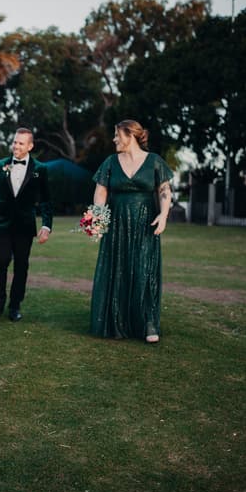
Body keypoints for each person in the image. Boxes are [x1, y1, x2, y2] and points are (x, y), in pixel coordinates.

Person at [90, 119, 173, 343]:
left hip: (146, 223)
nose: (115, 139)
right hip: (117, 223)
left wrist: (163, 215)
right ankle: (117, 322)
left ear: (130, 135)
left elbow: (164, 190)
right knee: (118, 268)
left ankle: (148, 324)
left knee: (144, 268)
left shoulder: (154, 161)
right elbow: (101, 192)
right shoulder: (110, 162)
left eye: (118, 135)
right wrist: (97, 218)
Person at [0, 127, 52, 322]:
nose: (16, 146)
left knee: (21, 266)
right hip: (1, 223)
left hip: (25, 226)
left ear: (30, 146)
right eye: (15, 142)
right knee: (1, 262)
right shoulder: (0, 165)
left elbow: (46, 200)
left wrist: (46, 225)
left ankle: (15, 306)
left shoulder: (40, 169)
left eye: (21, 143)